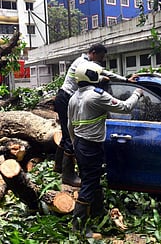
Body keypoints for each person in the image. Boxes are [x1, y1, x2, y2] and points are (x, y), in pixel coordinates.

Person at [67, 61, 143, 239]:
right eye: (97, 75)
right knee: (89, 184)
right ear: (91, 77)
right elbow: (125, 108)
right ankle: (78, 227)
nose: (100, 77)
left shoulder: (73, 97)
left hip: (79, 143)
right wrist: (137, 93)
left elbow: (70, 126)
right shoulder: (96, 96)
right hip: (91, 146)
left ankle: (97, 214)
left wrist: (76, 144)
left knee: (91, 181)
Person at [53, 43, 137, 187]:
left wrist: (118, 79)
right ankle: (68, 175)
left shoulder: (85, 63)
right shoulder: (82, 63)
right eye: (100, 57)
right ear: (92, 53)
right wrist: (123, 80)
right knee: (68, 139)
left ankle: (58, 167)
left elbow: (102, 74)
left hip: (66, 97)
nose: (100, 60)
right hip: (66, 97)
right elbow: (103, 74)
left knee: (66, 135)